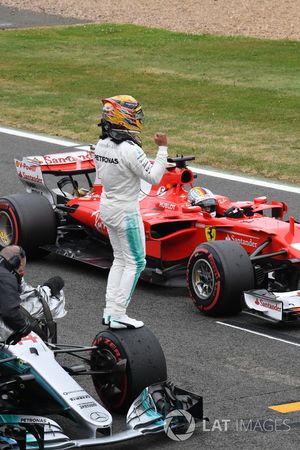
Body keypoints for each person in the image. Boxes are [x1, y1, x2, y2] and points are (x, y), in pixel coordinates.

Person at [94, 95, 168, 329]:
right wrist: (163, 149)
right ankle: (118, 314)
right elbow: (154, 177)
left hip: (106, 206)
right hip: (126, 212)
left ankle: (110, 311)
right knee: (136, 262)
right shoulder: (129, 149)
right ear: (123, 117)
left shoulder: (100, 144)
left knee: (119, 259)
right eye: (135, 114)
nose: (137, 118)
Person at [0, 245, 65, 343]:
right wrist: (25, 328)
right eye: (20, 271)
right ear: (13, 264)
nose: (21, 273)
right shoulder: (6, 277)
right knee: (45, 302)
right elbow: (10, 312)